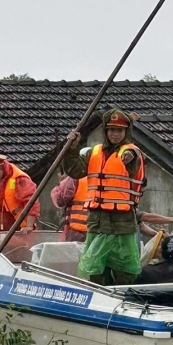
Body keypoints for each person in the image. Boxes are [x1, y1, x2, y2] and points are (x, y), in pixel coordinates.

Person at [63, 109, 145, 285]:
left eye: (120, 131)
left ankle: (123, 293)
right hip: (97, 219)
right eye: (112, 130)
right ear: (106, 132)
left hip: (121, 220)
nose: (115, 134)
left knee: (123, 263)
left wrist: (129, 158)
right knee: (96, 264)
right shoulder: (94, 152)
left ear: (126, 132)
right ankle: (100, 291)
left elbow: (133, 162)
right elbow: (75, 171)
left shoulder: (131, 151)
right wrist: (71, 149)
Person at [50, 169, 89, 242]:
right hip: (101, 232)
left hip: (77, 231)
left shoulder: (75, 177)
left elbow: (60, 201)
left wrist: (62, 183)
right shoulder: (109, 176)